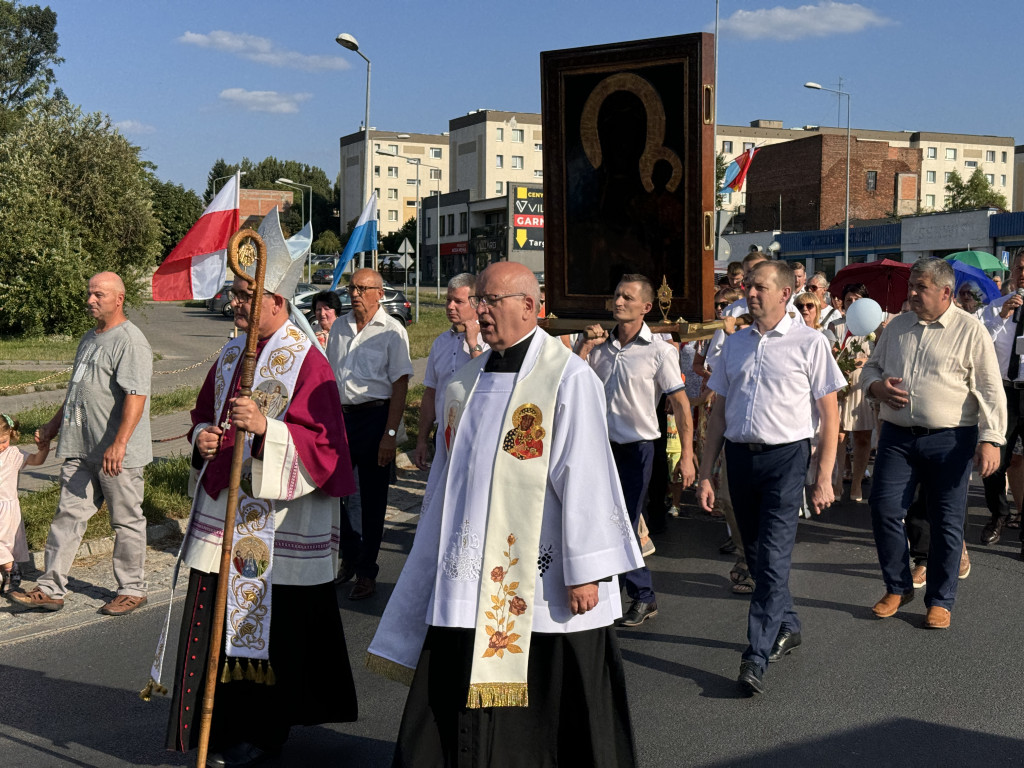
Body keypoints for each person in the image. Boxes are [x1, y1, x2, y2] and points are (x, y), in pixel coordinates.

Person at [367, 262, 643, 767]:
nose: (481, 311)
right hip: (472, 573)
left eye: (492, 301)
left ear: (529, 307)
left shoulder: (568, 378)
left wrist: (586, 572)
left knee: (553, 703)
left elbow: (584, 474)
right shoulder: (462, 383)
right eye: (481, 302)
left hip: (543, 574)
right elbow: (447, 484)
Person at [162, 239, 358, 766]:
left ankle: (261, 731)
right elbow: (205, 415)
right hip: (226, 513)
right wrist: (204, 435)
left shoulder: (306, 361)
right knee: (218, 618)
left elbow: (326, 448)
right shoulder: (230, 352)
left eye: (247, 295)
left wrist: (268, 429)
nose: (237, 303)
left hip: (280, 520)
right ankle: (219, 723)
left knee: (273, 631)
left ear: (277, 299)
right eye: (235, 294)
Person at [697, 260, 844, 695]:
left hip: (786, 458)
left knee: (775, 553)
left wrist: (824, 475)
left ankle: (756, 654)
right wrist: (707, 472)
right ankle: (790, 624)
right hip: (741, 458)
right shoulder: (736, 344)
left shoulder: (810, 342)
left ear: (785, 294)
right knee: (758, 553)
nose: (750, 293)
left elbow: (829, 414)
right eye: (748, 287)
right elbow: (720, 412)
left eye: (760, 287)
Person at [863, 257, 1005, 629]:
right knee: (883, 508)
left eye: (920, 287)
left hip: (950, 439)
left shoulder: (970, 330)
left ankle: (940, 600)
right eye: (912, 286)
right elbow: (871, 368)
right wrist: (876, 387)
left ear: (945, 292)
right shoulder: (897, 326)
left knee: (946, 522)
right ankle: (898, 585)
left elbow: (990, 389)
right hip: (897, 436)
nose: (911, 293)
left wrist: (991, 438)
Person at [9, 272, 152, 616]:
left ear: (119, 299)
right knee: (67, 516)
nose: (90, 300)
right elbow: (77, 390)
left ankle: (133, 588)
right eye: (89, 293)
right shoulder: (89, 339)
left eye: (98, 294)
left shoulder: (130, 341)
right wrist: (54, 425)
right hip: (79, 447)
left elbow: (136, 396)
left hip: (116, 454)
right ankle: (50, 589)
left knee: (126, 520)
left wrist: (119, 443)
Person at [578, 274, 695, 627]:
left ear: (646, 307)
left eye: (627, 297)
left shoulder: (659, 351)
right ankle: (616, 595)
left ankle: (642, 596)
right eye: (616, 295)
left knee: (624, 523)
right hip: (598, 447)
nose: (618, 302)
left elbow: (680, 403)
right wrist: (582, 348)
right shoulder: (598, 348)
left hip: (638, 448)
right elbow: (572, 386)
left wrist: (687, 454)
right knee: (601, 523)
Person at [326, 267, 414, 600]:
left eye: (363, 288)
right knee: (332, 492)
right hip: (342, 419)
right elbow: (331, 376)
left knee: (373, 502)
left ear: (380, 293)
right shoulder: (339, 326)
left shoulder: (392, 331)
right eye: (352, 287)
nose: (355, 293)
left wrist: (390, 435)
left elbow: (400, 384)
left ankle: (367, 572)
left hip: (376, 418)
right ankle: (350, 554)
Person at [413, 273, 487, 473]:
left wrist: (473, 343)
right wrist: (422, 440)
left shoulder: (489, 339)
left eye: (458, 301)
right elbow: (431, 392)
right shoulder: (441, 342)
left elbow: (487, 379)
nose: (450, 306)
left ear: (474, 303)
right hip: (444, 432)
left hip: (476, 432)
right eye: (448, 300)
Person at [979, 250, 1024, 555]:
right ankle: (999, 514)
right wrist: (1003, 316)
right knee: (994, 459)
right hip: (1003, 393)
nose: (1023, 274)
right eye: (1020, 268)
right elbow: (977, 344)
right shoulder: (994, 309)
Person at [0, 415, 51, 596]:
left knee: (4, 544)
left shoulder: (14, 454)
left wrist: (43, 449)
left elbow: (37, 460)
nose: (0, 446)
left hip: (6, 509)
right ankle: (8, 571)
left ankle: (11, 570)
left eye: (3, 441)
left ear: (11, 435)